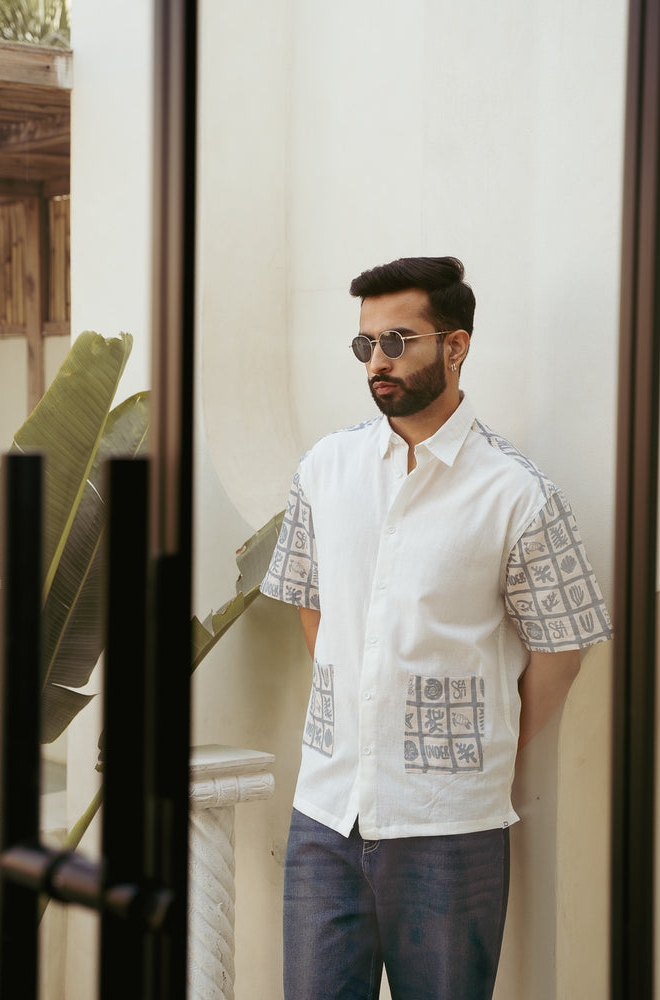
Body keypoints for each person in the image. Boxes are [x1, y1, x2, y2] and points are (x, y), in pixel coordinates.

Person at [260, 256, 612, 1000]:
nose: (378, 362)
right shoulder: (325, 467)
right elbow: (310, 598)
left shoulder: (517, 493)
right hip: (326, 814)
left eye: (399, 341)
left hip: (449, 826)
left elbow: (562, 649)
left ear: (456, 347)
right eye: (366, 345)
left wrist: (488, 747)